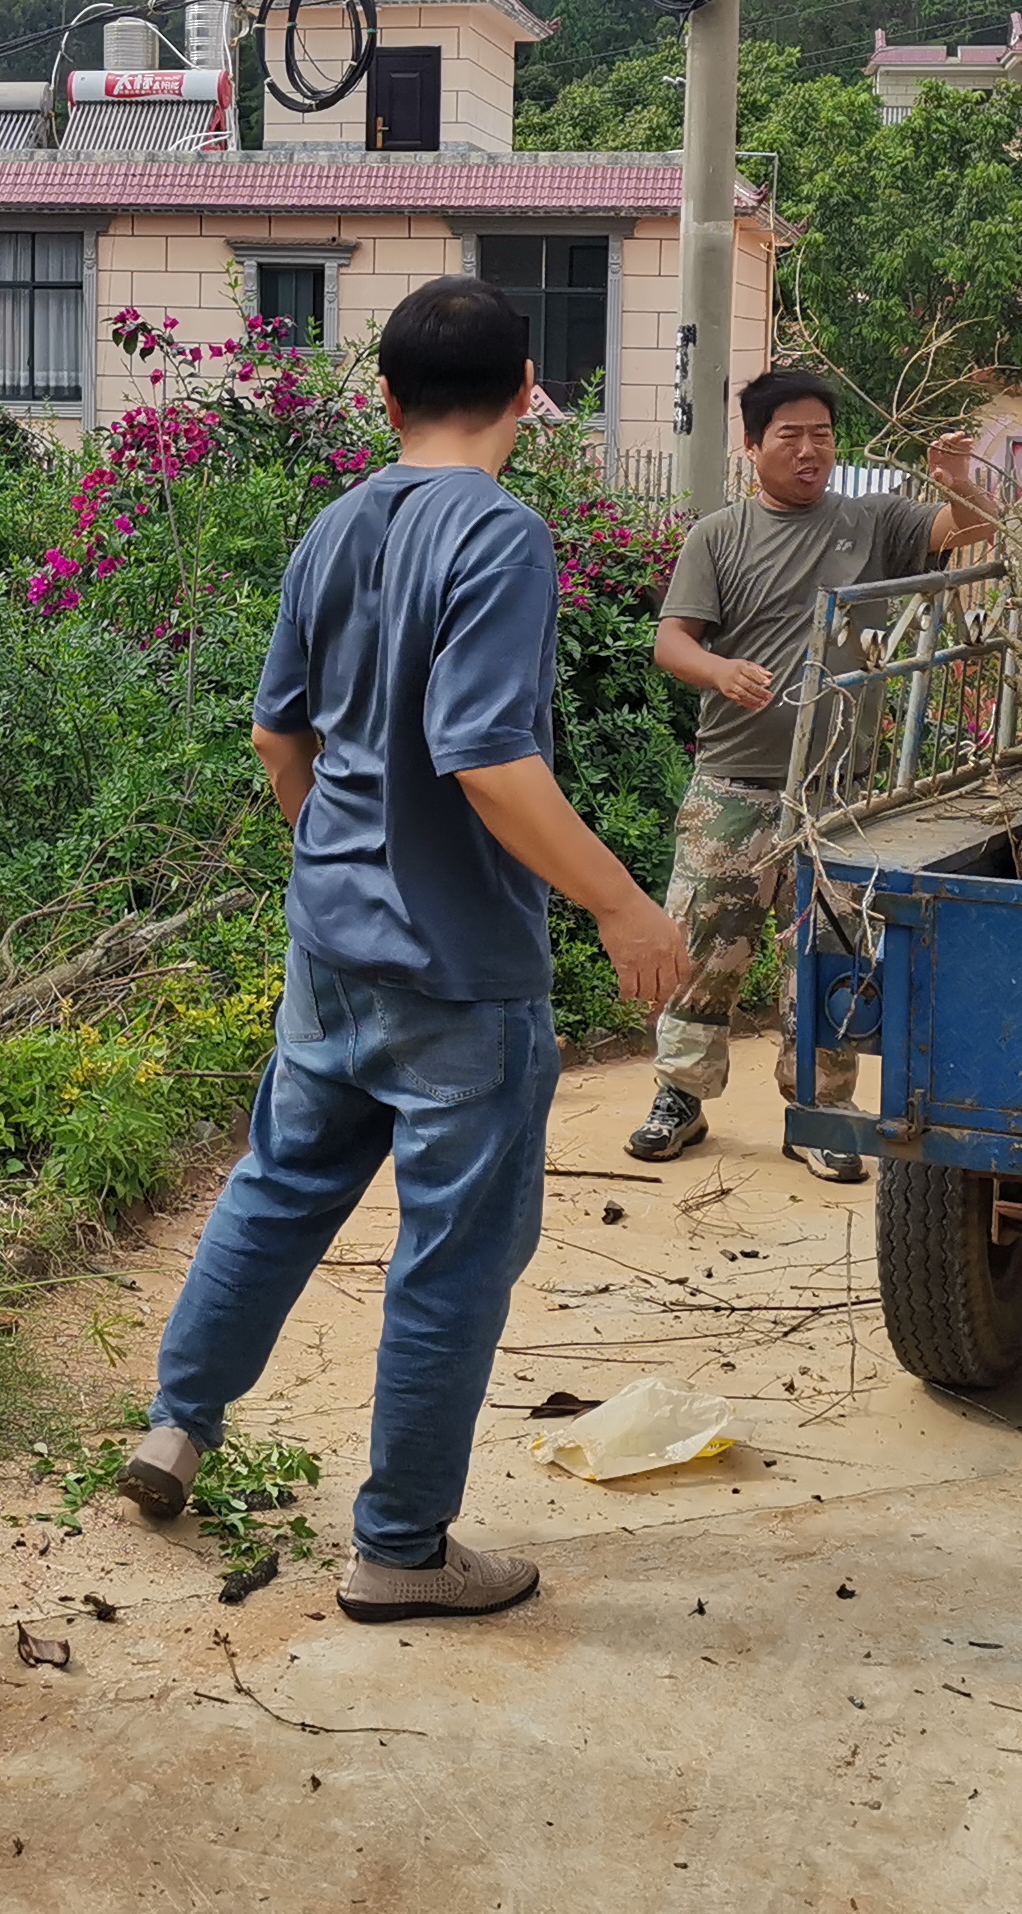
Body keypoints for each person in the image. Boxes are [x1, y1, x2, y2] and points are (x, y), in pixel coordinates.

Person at [114, 277, 690, 1621]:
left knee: (275, 1188)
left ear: (383, 398)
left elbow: (279, 737)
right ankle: (401, 1548)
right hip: (459, 972)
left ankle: (176, 1425)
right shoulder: (501, 538)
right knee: (451, 1258)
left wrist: (333, 858)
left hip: (331, 945)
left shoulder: (333, 528)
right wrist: (620, 903)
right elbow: (488, 756)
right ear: (528, 395)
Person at [628, 371, 989, 1177]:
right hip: (735, 779)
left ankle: (822, 1111)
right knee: (703, 943)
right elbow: (671, 642)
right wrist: (719, 672)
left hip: (840, 794)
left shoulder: (872, 521)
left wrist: (960, 482)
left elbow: (966, 530)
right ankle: (680, 1095)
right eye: (788, 434)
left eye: (821, 433)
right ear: (752, 446)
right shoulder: (717, 536)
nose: (809, 448)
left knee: (834, 951)